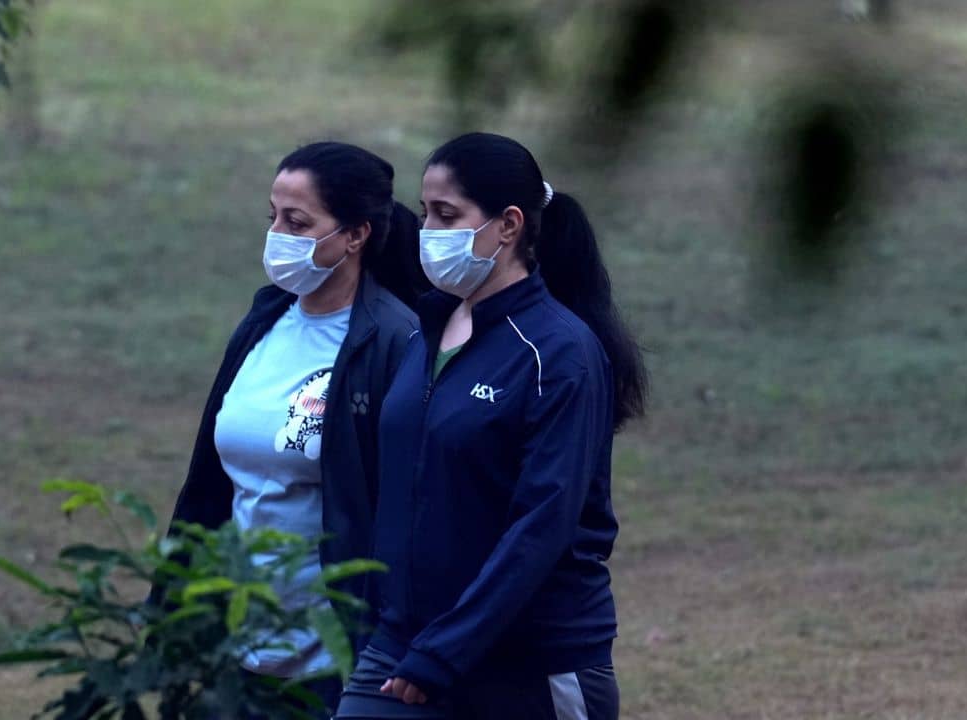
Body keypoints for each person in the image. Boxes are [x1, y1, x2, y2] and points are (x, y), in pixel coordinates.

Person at [334, 133, 648, 720]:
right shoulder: (425, 332)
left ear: (508, 225)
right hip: (402, 646)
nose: (427, 230)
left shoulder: (558, 355)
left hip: (526, 662)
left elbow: (542, 525)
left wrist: (446, 651)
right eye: (426, 212)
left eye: (447, 215)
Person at [169, 141, 429, 716]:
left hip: (334, 660)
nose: (278, 235)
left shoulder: (393, 340)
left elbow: (404, 505)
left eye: (298, 221)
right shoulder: (265, 319)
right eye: (273, 217)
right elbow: (212, 484)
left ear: (355, 234)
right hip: (237, 649)